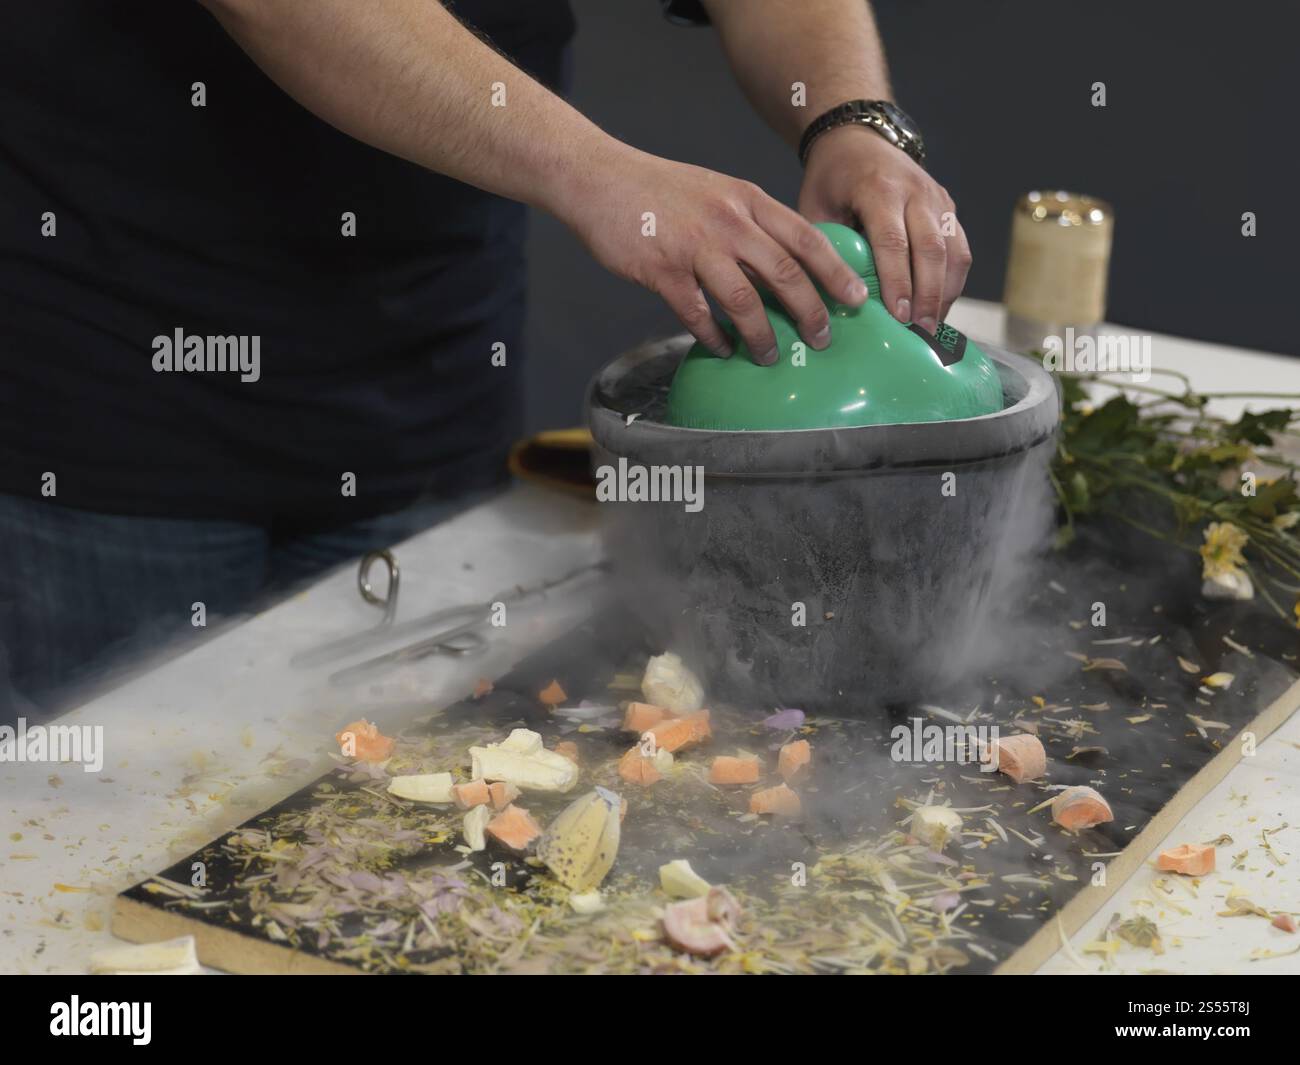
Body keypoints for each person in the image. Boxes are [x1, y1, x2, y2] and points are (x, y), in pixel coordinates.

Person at [0, 0, 970, 718]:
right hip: (117, 377)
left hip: (424, 368)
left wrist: (848, 117)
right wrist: (596, 172)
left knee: (383, 829)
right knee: (103, 870)